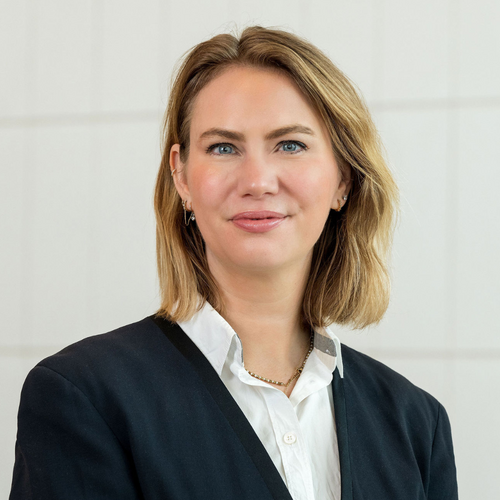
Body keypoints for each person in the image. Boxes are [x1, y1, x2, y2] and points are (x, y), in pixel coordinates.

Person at [9, 26, 458, 500]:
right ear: (181, 176)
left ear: (343, 178)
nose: (257, 181)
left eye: (290, 145)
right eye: (223, 148)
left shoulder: (416, 424)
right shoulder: (85, 397)